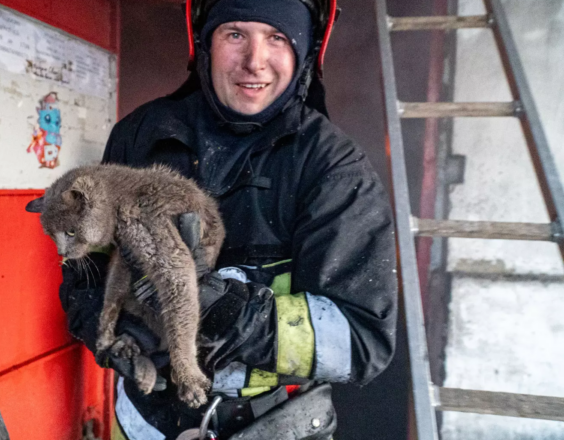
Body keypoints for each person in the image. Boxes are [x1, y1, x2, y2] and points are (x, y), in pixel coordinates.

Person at [58, 0, 398, 438]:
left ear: (304, 51)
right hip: (143, 424)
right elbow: (84, 271)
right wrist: (109, 334)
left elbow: (359, 339)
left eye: (276, 38)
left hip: (275, 426)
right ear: (205, 43)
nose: (254, 61)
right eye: (235, 34)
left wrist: (230, 311)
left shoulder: (332, 167)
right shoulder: (139, 136)